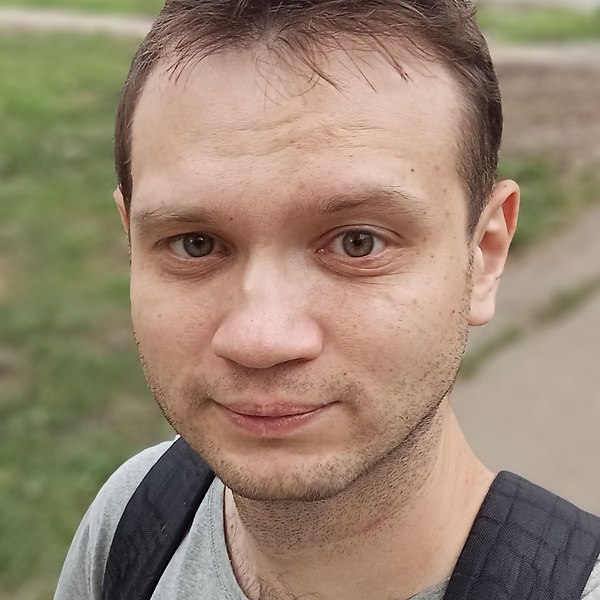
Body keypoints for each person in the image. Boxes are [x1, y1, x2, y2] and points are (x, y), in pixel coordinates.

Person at [56, 1, 600, 599]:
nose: (261, 339)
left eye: (357, 242)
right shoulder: (133, 517)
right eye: (195, 244)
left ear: (484, 254)